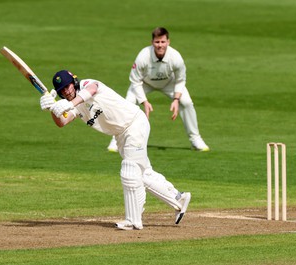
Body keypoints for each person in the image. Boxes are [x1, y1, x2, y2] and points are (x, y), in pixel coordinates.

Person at [39, 69, 191, 230]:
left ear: (74, 82)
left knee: (130, 171)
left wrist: (69, 104)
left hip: (134, 124)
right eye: (62, 90)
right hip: (120, 135)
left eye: (67, 87)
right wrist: (53, 109)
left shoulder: (86, 85)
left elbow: (93, 89)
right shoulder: (74, 106)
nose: (66, 91)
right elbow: (62, 123)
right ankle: (178, 198)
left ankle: (133, 220)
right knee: (143, 174)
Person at [107, 27, 209, 152]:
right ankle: (116, 140)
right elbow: (135, 81)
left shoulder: (176, 57)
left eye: (163, 42)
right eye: (157, 42)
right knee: (128, 102)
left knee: (186, 102)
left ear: (168, 42)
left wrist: (176, 99)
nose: (160, 45)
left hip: (169, 83)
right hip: (145, 83)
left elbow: (180, 80)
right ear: (152, 42)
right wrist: (144, 101)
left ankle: (195, 139)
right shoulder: (143, 56)